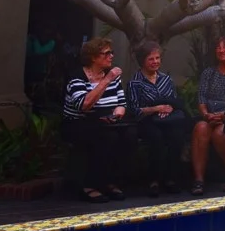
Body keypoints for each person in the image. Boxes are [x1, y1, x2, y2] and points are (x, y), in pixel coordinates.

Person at [62, 37, 135, 202]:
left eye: (112, 53)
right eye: (107, 53)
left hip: (106, 121)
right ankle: (89, 185)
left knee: (130, 135)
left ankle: (110, 181)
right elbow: (84, 105)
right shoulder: (77, 77)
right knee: (107, 137)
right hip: (79, 122)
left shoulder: (113, 77)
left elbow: (121, 102)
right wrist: (107, 80)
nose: (111, 56)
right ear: (93, 57)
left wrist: (117, 113)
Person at [129, 41, 188, 197]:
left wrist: (168, 109)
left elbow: (174, 100)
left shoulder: (166, 79)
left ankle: (171, 179)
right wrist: (156, 109)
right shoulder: (135, 82)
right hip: (147, 120)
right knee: (156, 138)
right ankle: (153, 181)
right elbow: (135, 110)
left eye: (157, 58)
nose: (155, 62)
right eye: (151, 59)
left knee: (177, 135)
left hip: (168, 119)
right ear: (142, 61)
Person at [190, 36, 225, 196]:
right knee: (200, 128)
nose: (221, 51)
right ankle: (199, 180)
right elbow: (201, 98)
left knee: (220, 133)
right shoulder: (209, 73)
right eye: (218, 48)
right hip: (210, 115)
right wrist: (206, 114)